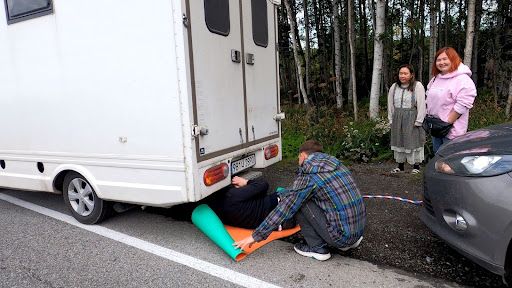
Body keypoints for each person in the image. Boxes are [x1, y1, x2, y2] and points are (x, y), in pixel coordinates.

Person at [233, 140, 366, 261]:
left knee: (299, 203)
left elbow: (286, 207)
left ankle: (317, 248)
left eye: (298, 157)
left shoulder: (310, 174)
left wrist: (256, 236)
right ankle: (350, 243)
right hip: (357, 231)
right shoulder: (336, 165)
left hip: (341, 237)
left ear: (303, 155)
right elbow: (296, 190)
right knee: (303, 197)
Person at [426, 47, 477, 153]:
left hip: (451, 131)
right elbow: (429, 99)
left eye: (445, 59)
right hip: (436, 128)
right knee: (438, 159)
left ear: (453, 59)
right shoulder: (435, 79)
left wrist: (448, 122)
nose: (442, 62)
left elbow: (463, 104)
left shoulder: (463, 79)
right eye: (438, 60)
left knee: (449, 162)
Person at [208, 176, 294, 230]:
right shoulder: (232, 196)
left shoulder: (220, 217)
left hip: (282, 224)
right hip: (283, 206)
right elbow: (263, 185)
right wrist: (245, 182)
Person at [387, 64, 426, 174]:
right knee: (399, 140)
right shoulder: (394, 86)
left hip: (411, 117)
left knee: (413, 140)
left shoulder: (417, 86)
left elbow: (422, 104)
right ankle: (400, 166)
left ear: (411, 75)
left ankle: (416, 166)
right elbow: (390, 104)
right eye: (401, 73)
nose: (402, 75)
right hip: (398, 117)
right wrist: (391, 119)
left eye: (405, 73)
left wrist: (419, 120)